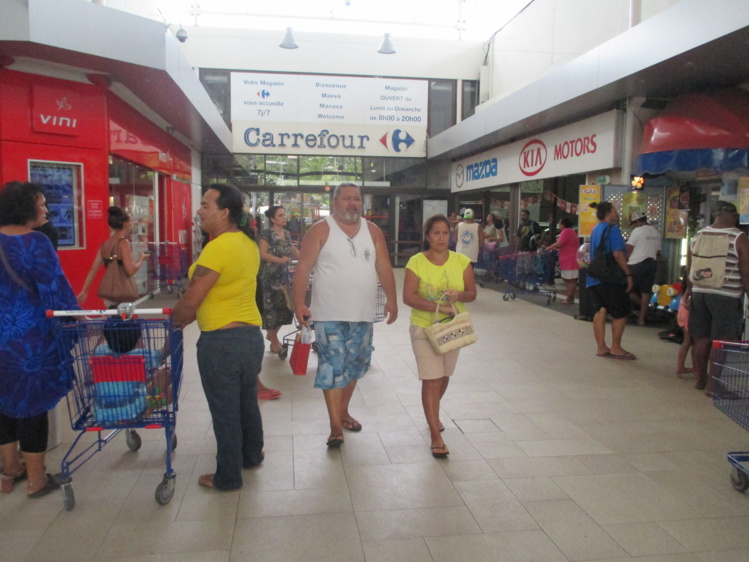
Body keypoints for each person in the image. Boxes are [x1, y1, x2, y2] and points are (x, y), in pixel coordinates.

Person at [172, 184, 265, 490]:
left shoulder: (217, 247)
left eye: (205, 205)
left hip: (222, 343)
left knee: (225, 410)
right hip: (250, 338)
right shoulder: (247, 243)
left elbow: (192, 298)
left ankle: (228, 475)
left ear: (224, 213)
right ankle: (251, 456)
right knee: (246, 402)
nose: (199, 211)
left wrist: (175, 323)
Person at [292, 182, 397, 448]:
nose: (353, 203)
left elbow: (384, 266)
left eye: (357, 199)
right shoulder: (320, 231)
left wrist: (392, 300)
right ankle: (335, 426)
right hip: (328, 314)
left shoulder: (373, 232)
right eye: (347, 198)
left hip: (362, 314)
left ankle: (343, 411)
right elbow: (303, 268)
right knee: (332, 366)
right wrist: (299, 304)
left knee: (354, 367)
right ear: (335, 202)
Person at [0, 181, 80, 497]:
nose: (45, 209)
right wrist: (75, 318)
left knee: (3, 401)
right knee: (32, 404)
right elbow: (55, 290)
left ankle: (10, 468)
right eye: (42, 204)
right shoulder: (35, 243)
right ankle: (36, 479)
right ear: (26, 208)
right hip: (28, 340)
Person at [403, 215, 476, 458]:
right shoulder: (416, 262)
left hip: (452, 328)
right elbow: (408, 297)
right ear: (427, 236)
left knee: (444, 377)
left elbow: (472, 293)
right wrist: (438, 307)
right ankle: (436, 435)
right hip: (424, 328)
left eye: (445, 233)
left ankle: (432, 414)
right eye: (436, 233)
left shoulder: (462, 261)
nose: (441, 237)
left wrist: (458, 297)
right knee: (431, 380)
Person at [684, 201, 749, 394]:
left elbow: (690, 268)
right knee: (721, 340)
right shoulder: (738, 237)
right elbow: (746, 271)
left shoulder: (699, 235)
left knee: (701, 338)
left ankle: (700, 379)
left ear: (715, 216)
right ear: (735, 217)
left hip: (700, 292)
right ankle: (714, 385)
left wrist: (688, 292)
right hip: (726, 295)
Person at [587, 201, 636, 360]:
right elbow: (618, 254)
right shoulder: (612, 229)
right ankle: (616, 347)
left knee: (600, 309)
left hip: (595, 276)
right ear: (608, 213)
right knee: (620, 312)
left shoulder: (596, 229)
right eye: (615, 210)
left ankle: (601, 347)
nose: (617, 213)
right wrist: (628, 274)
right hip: (611, 278)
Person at [77, 206, 148, 306]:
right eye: (130, 221)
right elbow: (130, 270)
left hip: (108, 294)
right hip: (123, 293)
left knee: (111, 319)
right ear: (125, 224)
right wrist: (141, 258)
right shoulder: (124, 243)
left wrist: (84, 290)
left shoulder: (104, 245)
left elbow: (93, 269)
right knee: (124, 320)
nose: (131, 224)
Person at [258, 206, 300, 366]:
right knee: (272, 310)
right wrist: (279, 260)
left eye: (284, 214)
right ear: (273, 219)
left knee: (286, 309)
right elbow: (262, 254)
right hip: (269, 278)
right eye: (280, 215)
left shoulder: (287, 234)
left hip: (283, 279)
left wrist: (307, 258)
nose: (284, 217)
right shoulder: (266, 234)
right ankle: (274, 343)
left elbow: (294, 251)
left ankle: (272, 334)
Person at [626, 211, 662, 325]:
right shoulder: (656, 232)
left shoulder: (638, 231)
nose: (634, 226)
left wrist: (624, 261)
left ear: (637, 221)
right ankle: (641, 318)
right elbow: (658, 252)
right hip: (651, 264)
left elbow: (629, 248)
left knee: (627, 289)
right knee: (645, 291)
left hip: (636, 264)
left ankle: (642, 308)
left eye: (634, 224)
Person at [545, 216, 579, 304]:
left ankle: (569, 298)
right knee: (571, 279)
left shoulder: (566, 231)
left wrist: (549, 248)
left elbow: (559, 243)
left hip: (568, 259)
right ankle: (570, 297)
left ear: (563, 224)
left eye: (560, 223)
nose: (559, 225)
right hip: (572, 258)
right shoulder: (572, 232)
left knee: (568, 279)